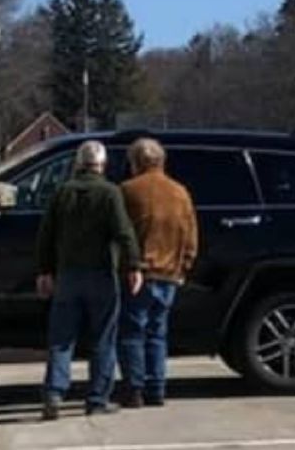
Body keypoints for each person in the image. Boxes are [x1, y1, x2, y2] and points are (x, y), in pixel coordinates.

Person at [36, 140, 143, 420]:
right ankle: (97, 398)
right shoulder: (110, 193)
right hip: (101, 274)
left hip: (68, 274)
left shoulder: (62, 193)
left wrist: (45, 271)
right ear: (102, 165)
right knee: (103, 339)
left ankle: (54, 393)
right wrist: (133, 266)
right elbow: (123, 231)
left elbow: (46, 235)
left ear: (78, 164)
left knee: (61, 339)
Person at [118, 138, 198, 408]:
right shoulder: (180, 193)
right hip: (169, 274)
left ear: (137, 162)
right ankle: (157, 387)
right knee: (157, 332)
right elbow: (190, 238)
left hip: (139, 272)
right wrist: (183, 266)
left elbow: (120, 233)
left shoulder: (128, 191)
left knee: (132, 332)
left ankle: (134, 388)